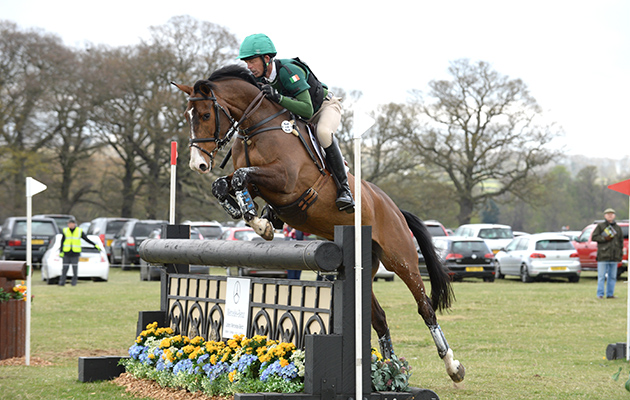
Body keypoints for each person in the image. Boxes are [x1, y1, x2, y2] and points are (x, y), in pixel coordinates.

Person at [238, 33, 354, 213]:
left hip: (322, 109)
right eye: (246, 62)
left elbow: (307, 109)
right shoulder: (258, 79)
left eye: (252, 61)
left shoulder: (289, 71)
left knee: (323, 133)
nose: (249, 66)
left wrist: (278, 97)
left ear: (266, 58)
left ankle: (344, 189)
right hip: (296, 117)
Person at [59, 218, 100, 286]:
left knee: (75, 268)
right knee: (65, 268)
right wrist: (61, 251)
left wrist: (95, 245)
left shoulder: (79, 231)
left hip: (75, 253)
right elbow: (62, 241)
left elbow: (86, 239)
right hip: (66, 252)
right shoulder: (65, 231)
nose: (69, 225)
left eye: (70, 223)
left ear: (74, 224)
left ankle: (74, 282)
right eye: (68, 224)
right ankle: (62, 282)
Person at [593, 208, 624, 299]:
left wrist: (620, 254)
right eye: (608, 214)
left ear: (614, 216)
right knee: (601, 276)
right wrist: (603, 239)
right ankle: (600, 294)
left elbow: (621, 241)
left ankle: (610, 294)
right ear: (605, 216)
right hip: (603, 255)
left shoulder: (618, 228)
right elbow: (594, 237)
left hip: (614, 256)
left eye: (612, 214)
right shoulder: (600, 226)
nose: (610, 216)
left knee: (613, 276)